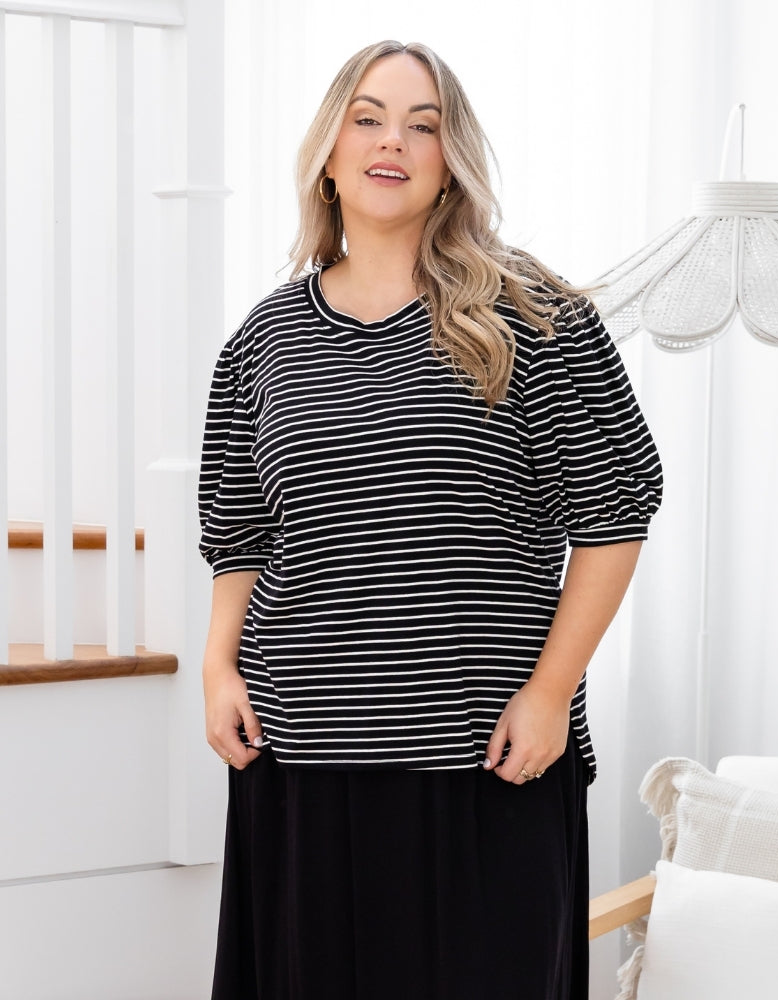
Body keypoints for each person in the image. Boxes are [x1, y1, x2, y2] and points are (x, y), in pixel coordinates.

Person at [198, 39, 662, 1000]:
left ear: (452, 163)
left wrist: (550, 693)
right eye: (366, 118)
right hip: (301, 752)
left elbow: (614, 514)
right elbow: (239, 531)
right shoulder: (262, 339)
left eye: (424, 124)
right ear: (328, 153)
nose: (392, 142)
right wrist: (217, 669)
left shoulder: (532, 313)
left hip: (483, 751)